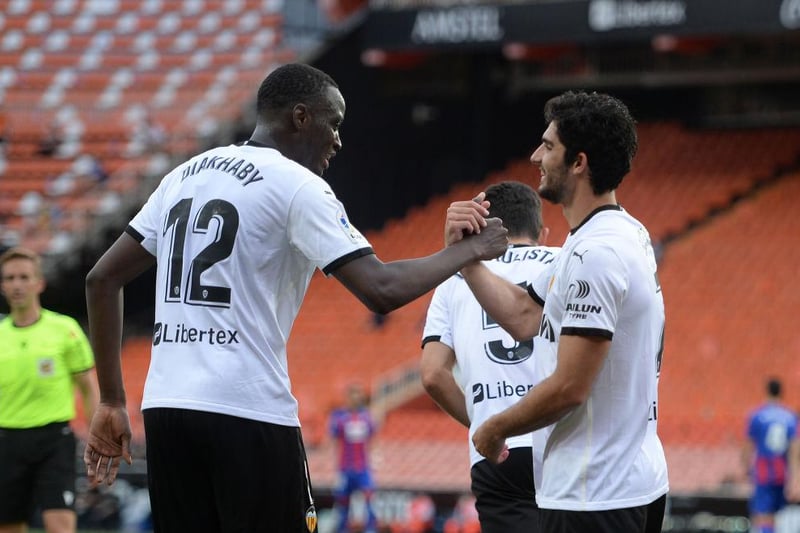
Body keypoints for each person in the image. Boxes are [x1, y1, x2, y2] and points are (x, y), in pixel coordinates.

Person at [82, 62, 508, 533]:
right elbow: (382, 289)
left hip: (165, 412)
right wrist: (472, 250)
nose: (338, 140)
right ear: (301, 117)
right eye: (335, 123)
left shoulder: (184, 175)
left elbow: (101, 280)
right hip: (246, 410)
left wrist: (111, 400)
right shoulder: (296, 185)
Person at [445, 90, 669, 533]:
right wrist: (467, 262)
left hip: (594, 493)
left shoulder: (595, 253)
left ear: (579, 163)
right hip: (626, 480)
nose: (535, 156)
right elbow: (529, 317)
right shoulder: (618, 234)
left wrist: (495, 427)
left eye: (548, 146)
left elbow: (569, 387)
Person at [421, 181, 559, 533]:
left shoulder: (453, 278)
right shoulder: (564, 261)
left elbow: (434, 375)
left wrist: (486, 425)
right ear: (542, 232)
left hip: (499, 452)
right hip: (563, 438)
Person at [0, 246, 98, 533]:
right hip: (6, 440)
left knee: (59, 524)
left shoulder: (64, 329)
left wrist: (96, 442)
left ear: (39, 282)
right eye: (10, 278)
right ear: (3, 286)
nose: (17, 285)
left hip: (53, 439)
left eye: (23, 277)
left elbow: (89, 389)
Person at [742, 377, 800, 533]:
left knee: (762, 513)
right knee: (777, 513)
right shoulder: (790, 416)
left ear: (767, 391)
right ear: (781, 393)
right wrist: (796, 476)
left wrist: (746, 467)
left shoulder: (757, 415)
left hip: (763, 469)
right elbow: (795, 448)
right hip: (782, 470)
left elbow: (748, 445)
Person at [329, 382, 379, 533]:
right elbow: (333, 440)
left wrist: (375, 458)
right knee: (343, 503)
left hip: (363, 468)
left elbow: (373, 439)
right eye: (353, 395)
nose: (356, 398)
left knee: (370, 499)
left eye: (359, 395)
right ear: (347, 397)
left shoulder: (367, 418)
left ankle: (371, 529)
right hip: (345, 468)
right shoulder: (339, 417)